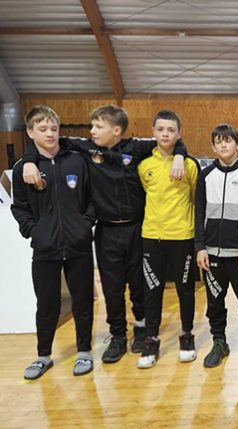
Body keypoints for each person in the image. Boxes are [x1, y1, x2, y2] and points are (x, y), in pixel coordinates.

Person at [21, 104, 187, 363]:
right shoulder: (86, 148)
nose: (92, 131)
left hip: (136, 228)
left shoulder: (136, 148)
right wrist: (28, 160)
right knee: (112, 287)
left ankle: (141, 327)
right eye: (92, 126)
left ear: (116, 130)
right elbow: (46, 142)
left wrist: (179, 156)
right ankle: (117, 334)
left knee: (139, 283)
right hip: (106, 230)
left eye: (98, 126)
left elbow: (171, 140)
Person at [11, 106, 96, 379]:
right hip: (45, 247)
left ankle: (84, 351)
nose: (50, 134)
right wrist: (35, 232)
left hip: (78, 245)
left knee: (83, 300)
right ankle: (43, 356)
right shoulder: (23, 168)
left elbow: (92, 198)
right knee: (47, 303)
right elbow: (19, 208)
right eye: (43, 129)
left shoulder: (78, 161)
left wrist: (84, 225)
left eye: (54, 128)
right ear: (30, 132)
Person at [195, 123, 238, 368]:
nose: (223, 145)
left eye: (228, 140)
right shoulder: (206, 175)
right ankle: (219, 342)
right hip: (211, 252)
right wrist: (200, 246)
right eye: (218, 141)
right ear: (213, 147)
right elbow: (199, 211)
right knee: (214, 303)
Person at [137, 110, 199, 369]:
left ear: (179, 133)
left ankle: (186, 335)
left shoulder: (189, 165)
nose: (165, 134)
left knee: (185, 289)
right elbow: (145, 194)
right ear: (153, 132)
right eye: (160, 129)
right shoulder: (144, 166)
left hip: (182, 237)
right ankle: (151, 339)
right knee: (152, 291)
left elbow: (195, 198)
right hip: (152, 237)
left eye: (171, 130)